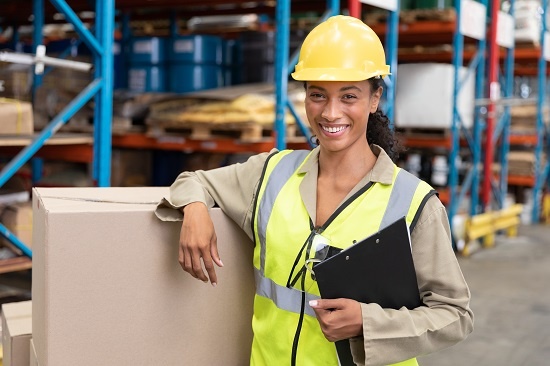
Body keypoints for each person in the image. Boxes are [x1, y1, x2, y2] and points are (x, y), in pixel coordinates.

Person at [155, 15, 473, 366]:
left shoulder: (413, 203)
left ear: (374, 98)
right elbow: (194, 180)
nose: (331, 112)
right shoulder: (271, 174)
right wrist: (195, 209)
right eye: (317, 95)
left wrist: (370, 323)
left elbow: (454, 314)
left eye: (349, 96)